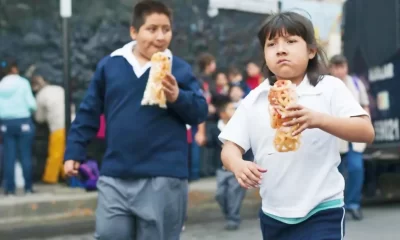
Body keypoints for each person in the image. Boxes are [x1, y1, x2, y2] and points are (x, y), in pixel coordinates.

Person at [218, 12, 374, 240]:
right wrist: (237, 164)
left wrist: (319, 120)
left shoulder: (329, 87)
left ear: (311, 51)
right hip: (274, 213)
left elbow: (366, 132)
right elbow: (229, 147)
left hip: (323, 208)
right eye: (271, 44)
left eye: (291, 41)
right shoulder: (255, 98)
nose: (281, 49)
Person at [63, 1, 208, 239]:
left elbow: (200, 112)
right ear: (134, 31)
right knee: (109, 234)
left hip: (164, 176)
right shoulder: (111, 65)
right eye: (152, 29)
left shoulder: (178, 69)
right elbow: (89, 111)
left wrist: (177, 96)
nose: (160, 37)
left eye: (166, 29)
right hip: (115, 175)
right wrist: (73, 152)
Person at [329, 54, 370, 221]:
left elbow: (365, 104)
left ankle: (353, 203)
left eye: (342, 67)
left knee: (356, 168)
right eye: (336, 67)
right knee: (334, 173)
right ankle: (337, 206)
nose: (339, 71)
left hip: (354, 134)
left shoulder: (355, 83)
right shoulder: (326, 84)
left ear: (346, 67)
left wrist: (367, 124)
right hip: (334, 135)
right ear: (331, 68)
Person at [208, 95, 253, 231]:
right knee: (220, 194)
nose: (234, 110)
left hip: (237, 167)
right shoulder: (215, 128)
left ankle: (233, 218)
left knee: (234, 192)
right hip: (221, 168)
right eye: (230, 109)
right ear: (222, 113)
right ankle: (229, 214)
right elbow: (210, 145)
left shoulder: (240, 126)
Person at [0, 58, 37, 196]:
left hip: (6, 124)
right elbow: (32, 105)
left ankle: (9, 189)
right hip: (23, 122)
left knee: (9, 157)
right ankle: (28, 188)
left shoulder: (1, 85)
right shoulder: (23, 83)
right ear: (14, 69)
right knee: (25, 155)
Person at [31, 74, 66, 184]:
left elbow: (39, 118)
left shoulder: (41, 95)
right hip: (72, 123)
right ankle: (66, 175)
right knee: (66, 152)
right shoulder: (59, 89)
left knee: (55, 153)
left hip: (57, 126)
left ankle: (50, 178)